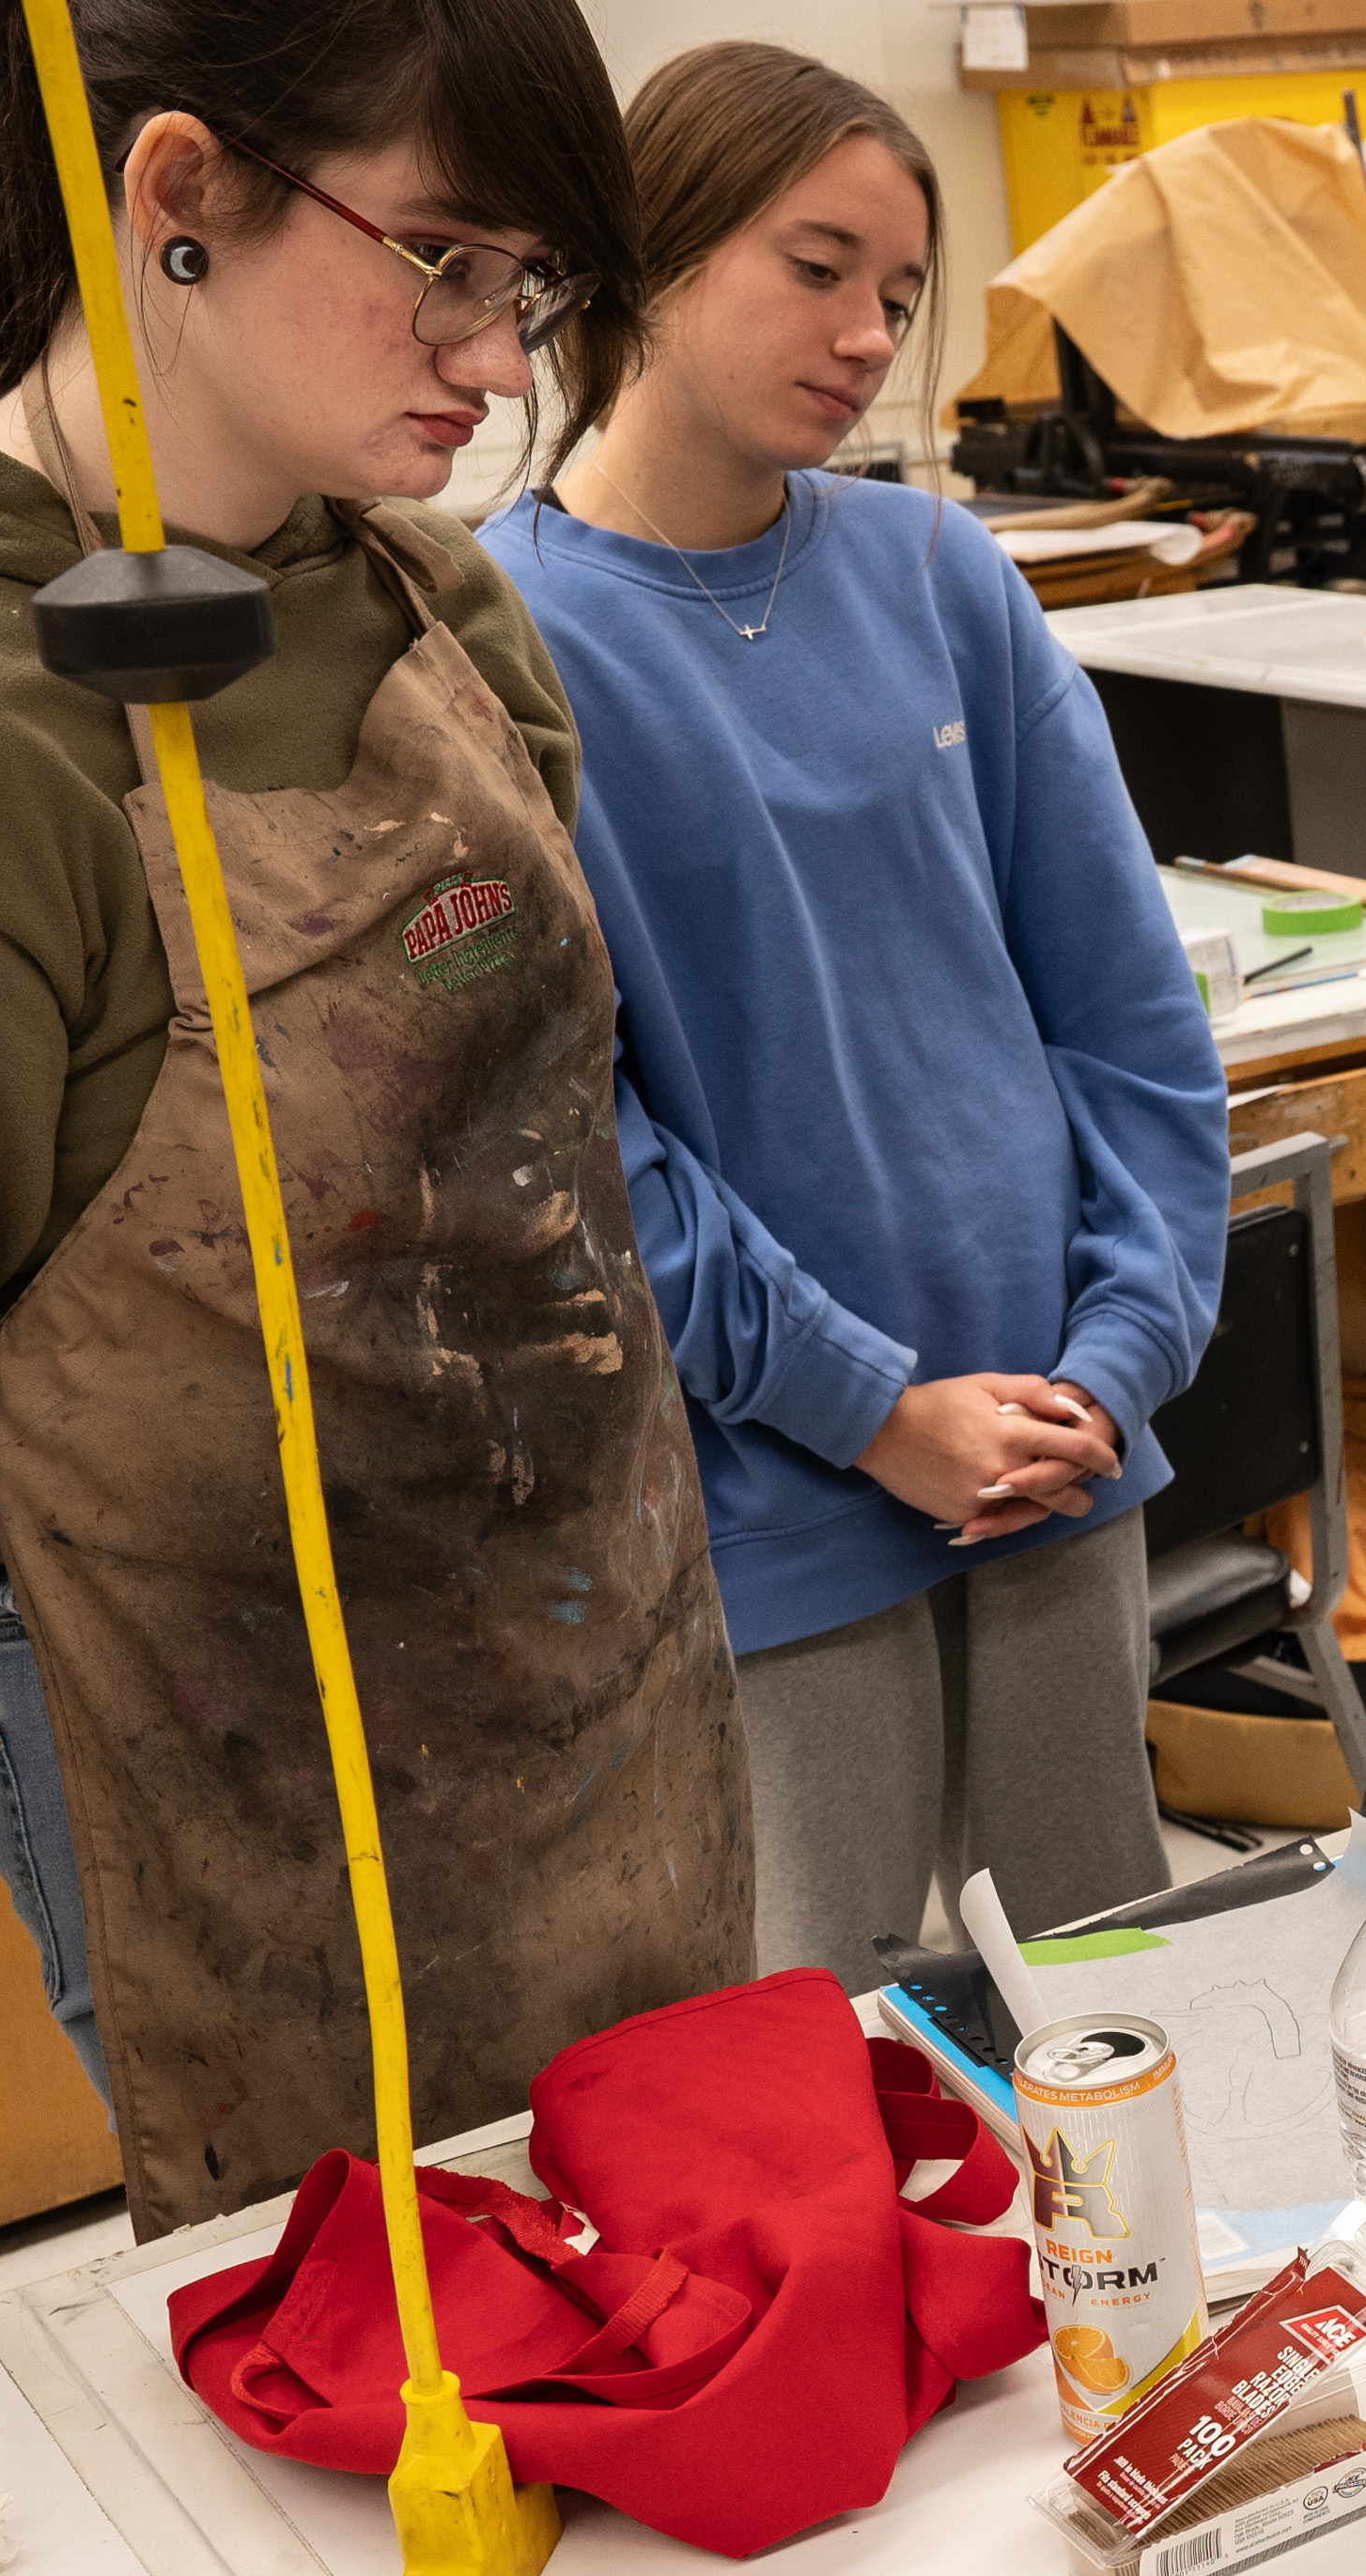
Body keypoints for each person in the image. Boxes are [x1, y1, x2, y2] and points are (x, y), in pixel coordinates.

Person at [0, 0, 752, 2242]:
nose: (500, 358)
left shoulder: (429, 600)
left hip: (608, 1696)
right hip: (235, 1795)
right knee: (388, 2429)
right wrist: (72, 1737)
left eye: (526, 287)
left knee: (689, 2358)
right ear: (173, 200)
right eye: (443, 257)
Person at [492, 43, 1222, 1978]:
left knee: (1121, 2016)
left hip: (1060, 1451)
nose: (868, 334)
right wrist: (868, 1409)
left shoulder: (938, 570)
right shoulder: (504, 645)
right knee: (835, 2056)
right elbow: (570, 1141)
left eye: (898, 293)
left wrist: (1123, 1352)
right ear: (646, 255)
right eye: (817, 267)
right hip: (782, 1489)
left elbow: (1128, 1013)